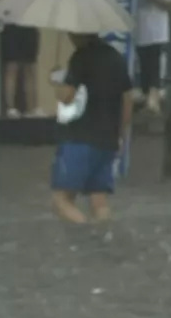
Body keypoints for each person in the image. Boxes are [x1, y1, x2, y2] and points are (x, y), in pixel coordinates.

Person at [50, 32, 135, 224]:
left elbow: (67, 97)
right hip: (108, 141)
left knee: (61, 200)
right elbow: (127, 100)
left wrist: (56, 82)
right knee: (99, 200)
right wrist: (120, 135)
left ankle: (87, 233)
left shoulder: (80, 57)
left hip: (79, 139)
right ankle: (103, 240)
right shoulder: (116, 57)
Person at [0, 0, 42, 118]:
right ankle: (10, 108)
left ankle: (33, 107)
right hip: (12, 29)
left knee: (30, 69)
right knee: (12, 68)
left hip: (29, 28)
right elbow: (0, 6)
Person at [135, 0, 171, 114]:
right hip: (140, 35)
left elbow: (169, 5)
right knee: (144, 67)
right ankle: (145, 98)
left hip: (156, 35)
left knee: (155, 68)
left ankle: (154, 100)